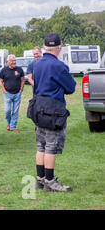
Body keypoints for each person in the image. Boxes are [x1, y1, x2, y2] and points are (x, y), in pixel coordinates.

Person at [32, 33, 76, 192]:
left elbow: (35, 87)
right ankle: (50, 181)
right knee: (50, 146)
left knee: (40, 146)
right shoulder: (58, 66)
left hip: (38, 108)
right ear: (59, 46)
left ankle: (40, 179)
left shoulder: (37, 64)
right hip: (53, 111)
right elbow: (71, 88)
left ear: (44, 46)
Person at [0, 54, 25, 132]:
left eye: (15, 60)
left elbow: (23, 80)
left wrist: (21, 90)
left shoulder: (19, 69)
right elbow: (0, 81)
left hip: (17, 94)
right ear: (8, 62)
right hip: (7, 94)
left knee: (15, 111)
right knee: (7, 110)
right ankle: (9, 123)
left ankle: (13, 126)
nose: (14, 62)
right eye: (12, 61)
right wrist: (4, 90)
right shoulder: (4, 70)